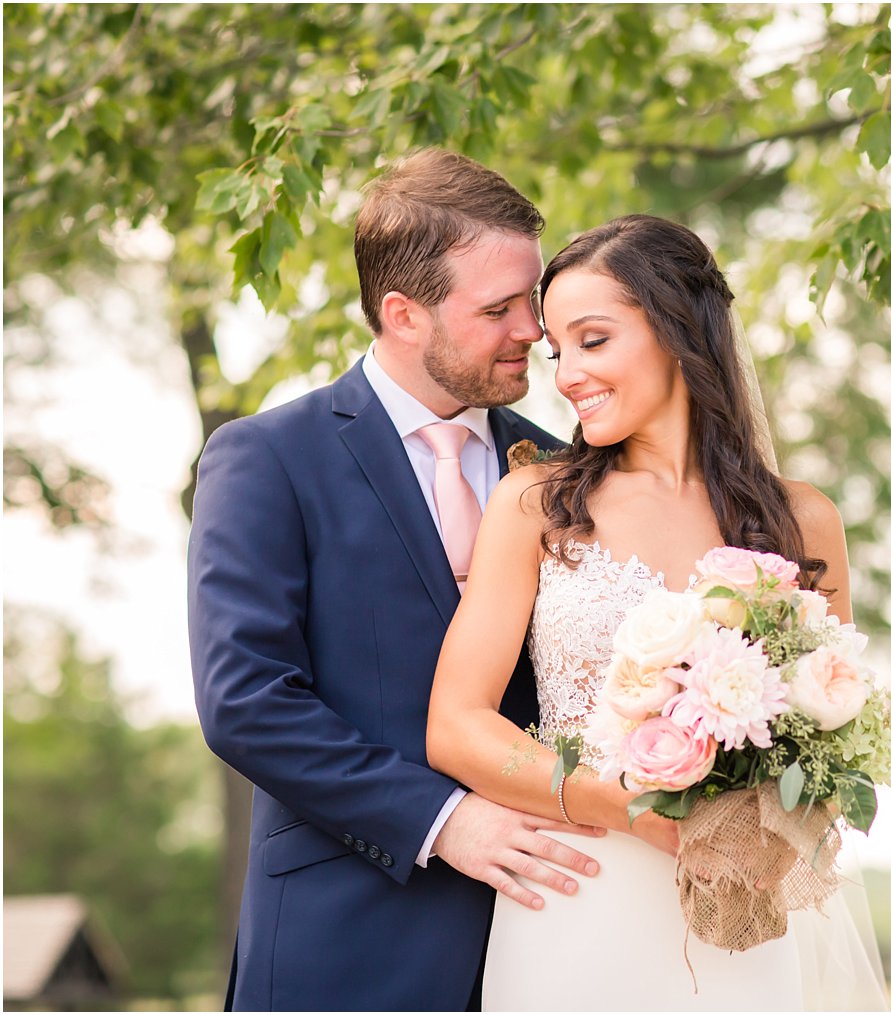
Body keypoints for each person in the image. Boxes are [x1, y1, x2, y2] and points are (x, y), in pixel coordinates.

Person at [427, 214, 888, 1010]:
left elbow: (833, 736)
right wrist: (631, 809)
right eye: (558, 350)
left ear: (677, 328)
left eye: (593, 340)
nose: (567, 373)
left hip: (737, 914)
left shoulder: (803, 521)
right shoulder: (535, 504)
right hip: (575, 900)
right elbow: (456, 725)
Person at [187, 148, 606, 1012]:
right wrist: (445, 820)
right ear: (403, 315)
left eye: (531, 299)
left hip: (556, 937)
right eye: (499, 308)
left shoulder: (573, 472)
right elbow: (247, 700)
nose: (533, 328)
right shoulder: (267, 459)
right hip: (345, 944)